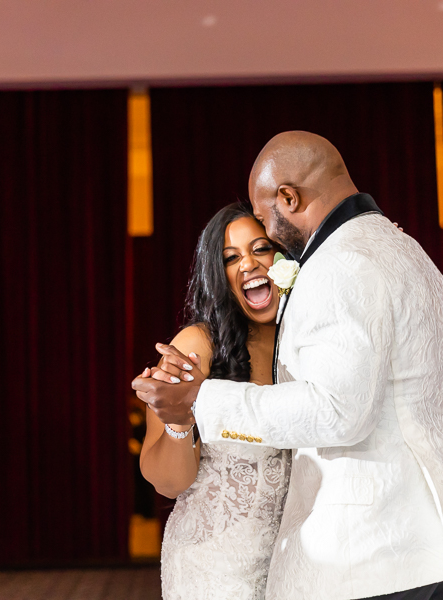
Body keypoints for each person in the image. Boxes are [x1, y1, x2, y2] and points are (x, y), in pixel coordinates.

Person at [133, 131, 443, 600]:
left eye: (264, 230)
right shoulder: (406, 250)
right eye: (231, 257)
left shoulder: (338, 264)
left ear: (288, 197)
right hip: (439, 536)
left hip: (375, 545)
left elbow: (338, 412)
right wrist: (178, 418)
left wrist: (201, 398)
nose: (266, 241)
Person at [140, 202, 292, 599]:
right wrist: (178, 421)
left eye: (260, 249)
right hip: (214, 572)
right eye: (231, 257)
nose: (248, 264)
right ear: (219, 277)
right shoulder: (195, 347)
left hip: (296, 569)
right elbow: (168, 483)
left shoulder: (307, 340)